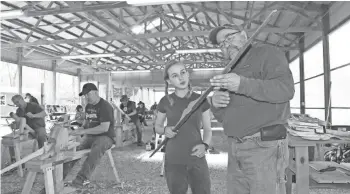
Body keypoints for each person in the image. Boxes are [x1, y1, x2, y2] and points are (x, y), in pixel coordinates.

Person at [207, 24, 295, 194]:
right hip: (235, 147)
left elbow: (285, 89)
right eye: (221, 44)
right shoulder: (228, 71)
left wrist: (242, 84)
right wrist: (216, 103)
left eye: (229, 38)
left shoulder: (267, 53)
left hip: (263, 146)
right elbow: (224, 117)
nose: (226, 45)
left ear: (244, 35)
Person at [154, 60, 212, 194]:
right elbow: (157, 126)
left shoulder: (201, 99)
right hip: (174, 159)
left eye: (183, 72)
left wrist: (205, 145)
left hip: (196, 157)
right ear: (169, 81)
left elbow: (208, 129)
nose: (180, 77)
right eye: (174, 76)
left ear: (188, 74)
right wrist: (164, 130)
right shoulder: (165, 101)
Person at [57, 83, 115, 189]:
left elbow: (104, 128)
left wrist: (84, 131)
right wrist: (77, 130)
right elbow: (86, 123)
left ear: (96, 93)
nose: (86, 97)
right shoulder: (88, 106)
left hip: (106, 137)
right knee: (73, 152)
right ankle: (57, 181)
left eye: (88, 94)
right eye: (84, 95)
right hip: (90, 136)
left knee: (96, 150)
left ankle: (80, 180)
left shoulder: (105, 106)